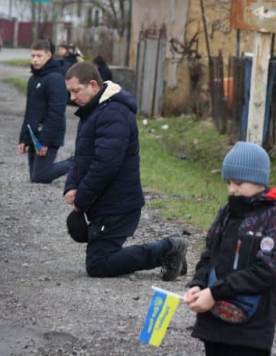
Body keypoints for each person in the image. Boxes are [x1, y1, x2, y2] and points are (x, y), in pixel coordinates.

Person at [63, 62, 188, 280]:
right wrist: (71, 185)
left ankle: (166, 249)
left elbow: (106, 165)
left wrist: (82, 199)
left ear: (93, 85)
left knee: (98, 265)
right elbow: (81, 156)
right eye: (70, 92)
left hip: (118, 205)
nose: (72, 98)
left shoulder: (114, 113)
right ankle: (170, 253)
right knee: (97, 257)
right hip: (106, 203)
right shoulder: (94, 111)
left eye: (76, 91)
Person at [183, 142, 276, 356]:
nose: (232, 189)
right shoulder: (227, 212)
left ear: (259, 181)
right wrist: (198, 283)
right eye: (228, 183)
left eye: (239, 183)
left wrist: (215, 292)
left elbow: (268, 271)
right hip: (214, 320)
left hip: (251, 327)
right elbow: (209, 254)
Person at [18, 39, 71, 184]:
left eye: (39, 56)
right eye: (33, 55)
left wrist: (45, 141)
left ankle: (75, 163)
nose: (35, 59)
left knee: (40, 177)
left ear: (48, 55)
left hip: (49, 135)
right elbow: (29, 111)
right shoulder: (33, 79)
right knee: (35, 177)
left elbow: (56, 113)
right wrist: (23, 139)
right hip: (34, 135)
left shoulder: (56, 78)